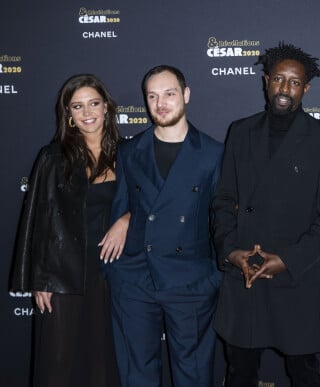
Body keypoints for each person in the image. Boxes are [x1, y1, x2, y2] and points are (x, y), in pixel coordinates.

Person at [212, 42, 320, 387]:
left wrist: (288, 258)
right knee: (240, 372)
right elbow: (223, 200)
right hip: (245, 273)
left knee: (304, 373)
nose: (285, 89)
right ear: (266, 81)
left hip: (295, 278)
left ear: (306, 88)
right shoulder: (240, 132)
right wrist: (231, 251)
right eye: (278, 79)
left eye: (294, 82)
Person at [106, 65, 223, 387]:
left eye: (169, 94)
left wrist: (213, 277)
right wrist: (125, 219)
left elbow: (222, 220)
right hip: (135, 279)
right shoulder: (130, 150)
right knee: (137, 374)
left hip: (190, 281)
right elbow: (124, 205)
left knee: (194, 375)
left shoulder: (213, 153)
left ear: (185, 95)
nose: (161, 103)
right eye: (152, 96)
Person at [10, 74, 126, 387]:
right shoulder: (52, 157)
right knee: (58, 363)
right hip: (62, 275)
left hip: (113, 274)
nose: (87, 112)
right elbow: (37, 221)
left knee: (105, 359)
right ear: (69, 115)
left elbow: (151, 204)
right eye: (77, 106)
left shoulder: (129, 154)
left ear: (106, 107)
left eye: (93, 103)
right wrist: (41, 279)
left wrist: (126, 219)